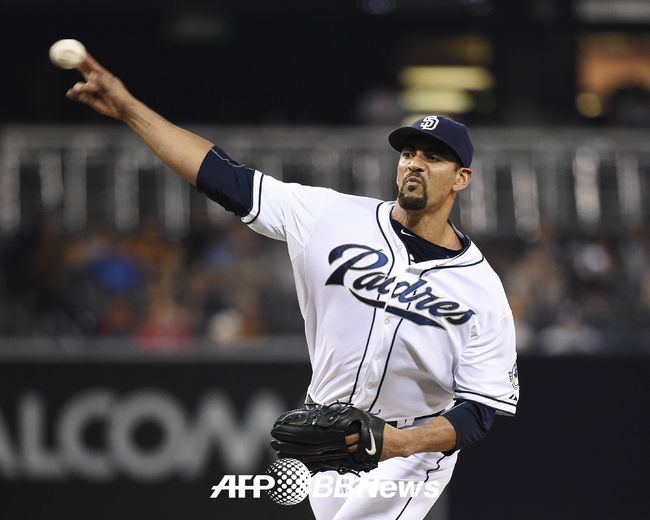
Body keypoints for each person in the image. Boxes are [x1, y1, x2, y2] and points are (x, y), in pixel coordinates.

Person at [67, 54, 519, 520]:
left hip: (412, 450)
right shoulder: (330, 216)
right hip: (329, 433)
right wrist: (129, 109)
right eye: (408, 154)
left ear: (462, 178)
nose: (415, 164)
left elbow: (480, 411)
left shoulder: (481, 290)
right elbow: (222, 176)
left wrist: (400, 443)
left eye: (433, 157)